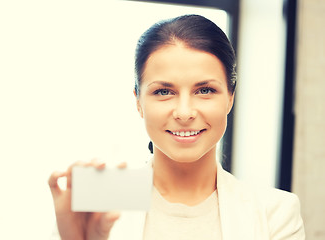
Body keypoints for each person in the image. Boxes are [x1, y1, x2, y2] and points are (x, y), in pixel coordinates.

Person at [48, 15, 305, 240]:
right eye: (163, 91)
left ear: (230, 97)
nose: (184, 113)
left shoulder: (275, 211)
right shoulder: (98, 198)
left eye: (205, 90)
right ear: (138, 101)